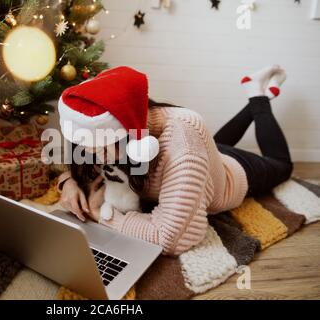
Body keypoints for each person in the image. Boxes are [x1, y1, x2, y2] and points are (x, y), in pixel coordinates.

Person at [57, 65, 292, 256]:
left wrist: (103, 217)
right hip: (206, 158)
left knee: (281, 164)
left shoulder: (183, 147)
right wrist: (68, 182)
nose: (96, 158)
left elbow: (171, 239)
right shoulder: (113, 131)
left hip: (236, 174)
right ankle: (254, 104)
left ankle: (257, 96)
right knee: (215, 144)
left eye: (101, 150)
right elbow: (86, 165)